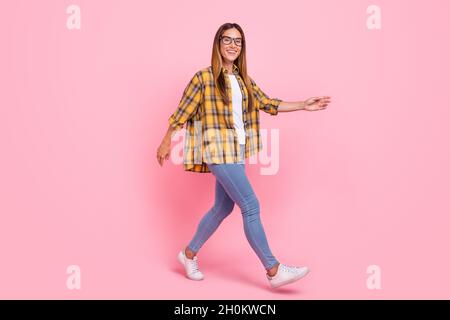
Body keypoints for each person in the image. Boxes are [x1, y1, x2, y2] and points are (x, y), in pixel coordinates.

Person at [157, 22, 331, 288]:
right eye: (227, 40)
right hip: (217, 148)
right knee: (251, 205)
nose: (232, 45)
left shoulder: (243, 80)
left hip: (237, 149)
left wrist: (303, 106)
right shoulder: (203, 78)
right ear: (217, 44)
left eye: (238, 41)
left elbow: (267, 102)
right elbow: (182, 111)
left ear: (242, 47)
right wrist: (166, 140)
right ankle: (273, 270)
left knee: (222, 207)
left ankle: (188, 254)